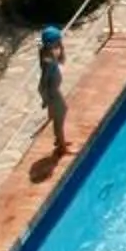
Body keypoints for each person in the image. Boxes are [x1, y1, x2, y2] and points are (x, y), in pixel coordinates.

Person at [37, 23, 69, 158]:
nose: (59, 42)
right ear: (52, 42)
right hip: (53, 93)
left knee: (60, 114)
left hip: (54, 91)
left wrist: (60, 47)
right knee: (60, 116)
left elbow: (62, 59)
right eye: (57, 40)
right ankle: (61, 146)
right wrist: (45, 99)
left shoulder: (48, 53)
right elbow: (43, 83)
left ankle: (60, 139)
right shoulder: (48, 60)